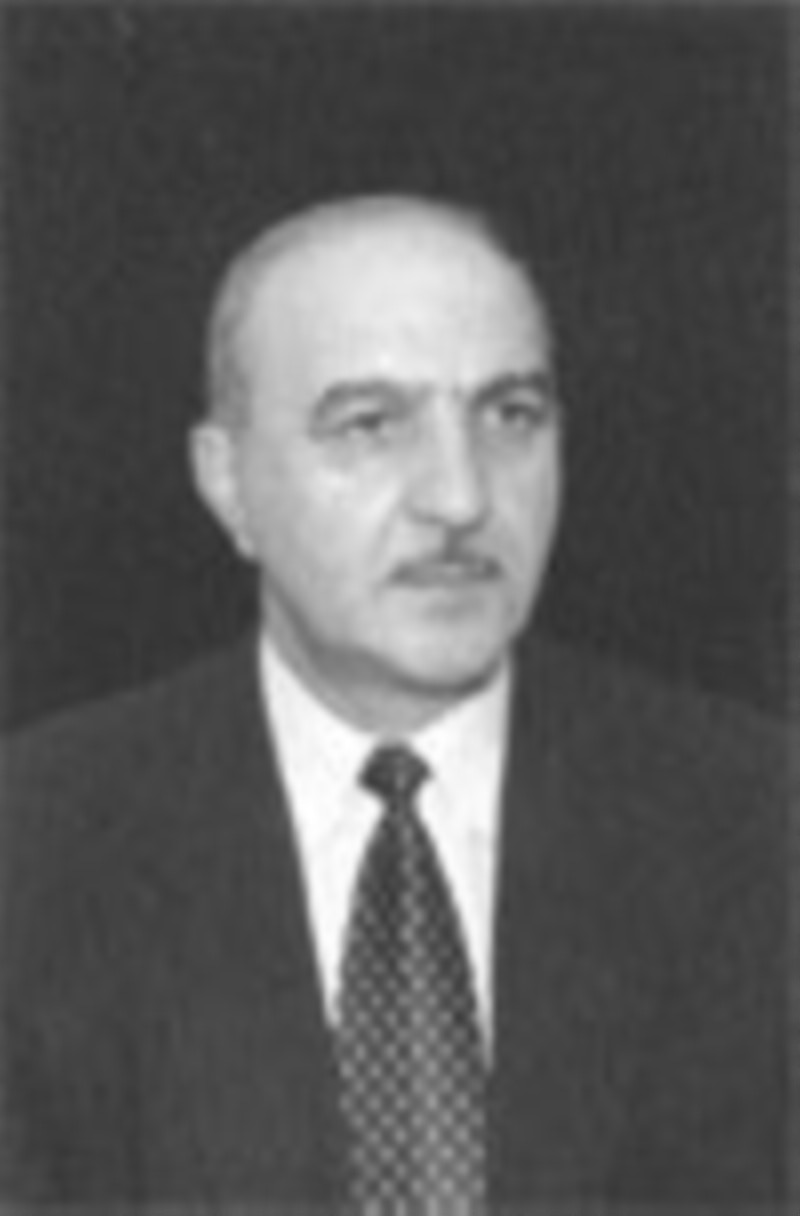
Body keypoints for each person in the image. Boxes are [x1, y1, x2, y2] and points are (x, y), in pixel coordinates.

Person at [2, 195, 787, 1210]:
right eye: (370, 425)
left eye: (509, 415)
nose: (461, 496)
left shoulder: (758, 825)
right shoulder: (36, 848)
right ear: (227, 483)